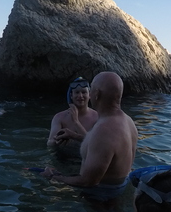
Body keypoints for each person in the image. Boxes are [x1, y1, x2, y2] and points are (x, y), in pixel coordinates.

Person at [42, 72, 138, 202]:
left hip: (100, 198)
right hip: (118, 188)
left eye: (90, 89)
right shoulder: (128, 121)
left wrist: (53, 176)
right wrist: (74, 135)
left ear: (96, 94)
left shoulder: (104, 130)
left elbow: (88, 182)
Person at [47, 77, 99, 150]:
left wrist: (76, 122)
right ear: (71, 96)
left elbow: (96, 145)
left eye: (84, 92)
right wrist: (57, 141)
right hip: (63, 156)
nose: (80, 96)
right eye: (77, 92)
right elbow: (49, 143)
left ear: (89, 95)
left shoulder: (97, 118)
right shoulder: (59, 117)